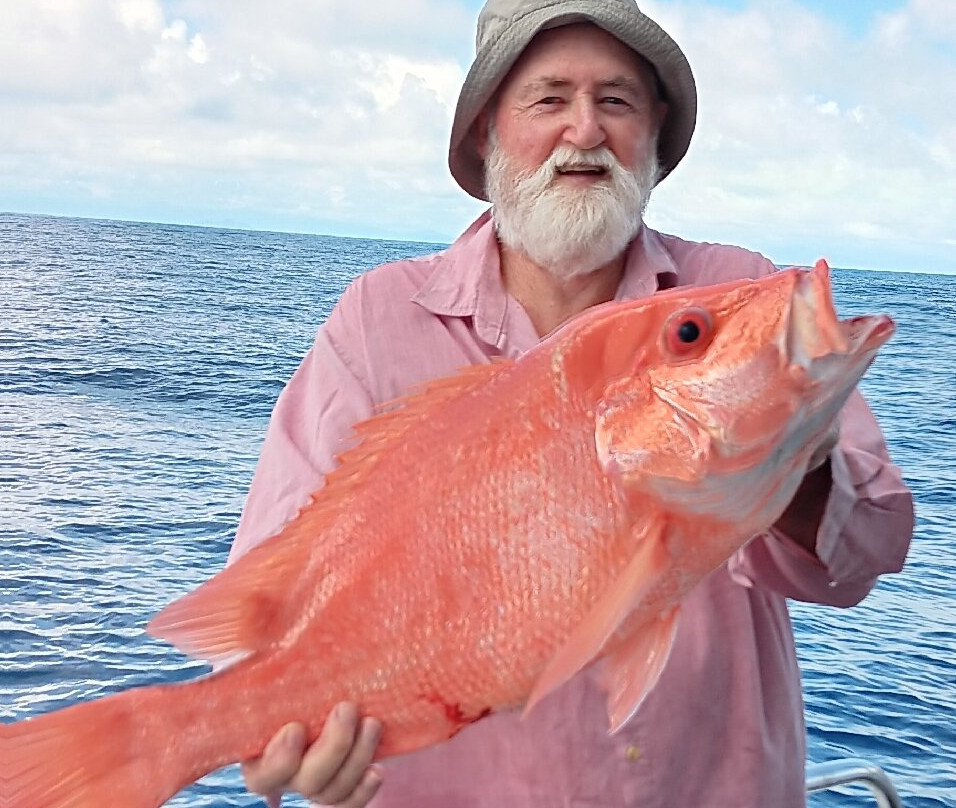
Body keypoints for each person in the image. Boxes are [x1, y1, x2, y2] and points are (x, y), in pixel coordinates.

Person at [227, 1, 915, 806]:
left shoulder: (739, 291)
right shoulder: (378, 322)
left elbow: (865, 557)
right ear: (486, 133)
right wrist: (267, 726)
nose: (584, 131)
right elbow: (268, 580)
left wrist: (790, 455)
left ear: (654, 134)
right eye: (548, 98)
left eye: (616, 100)